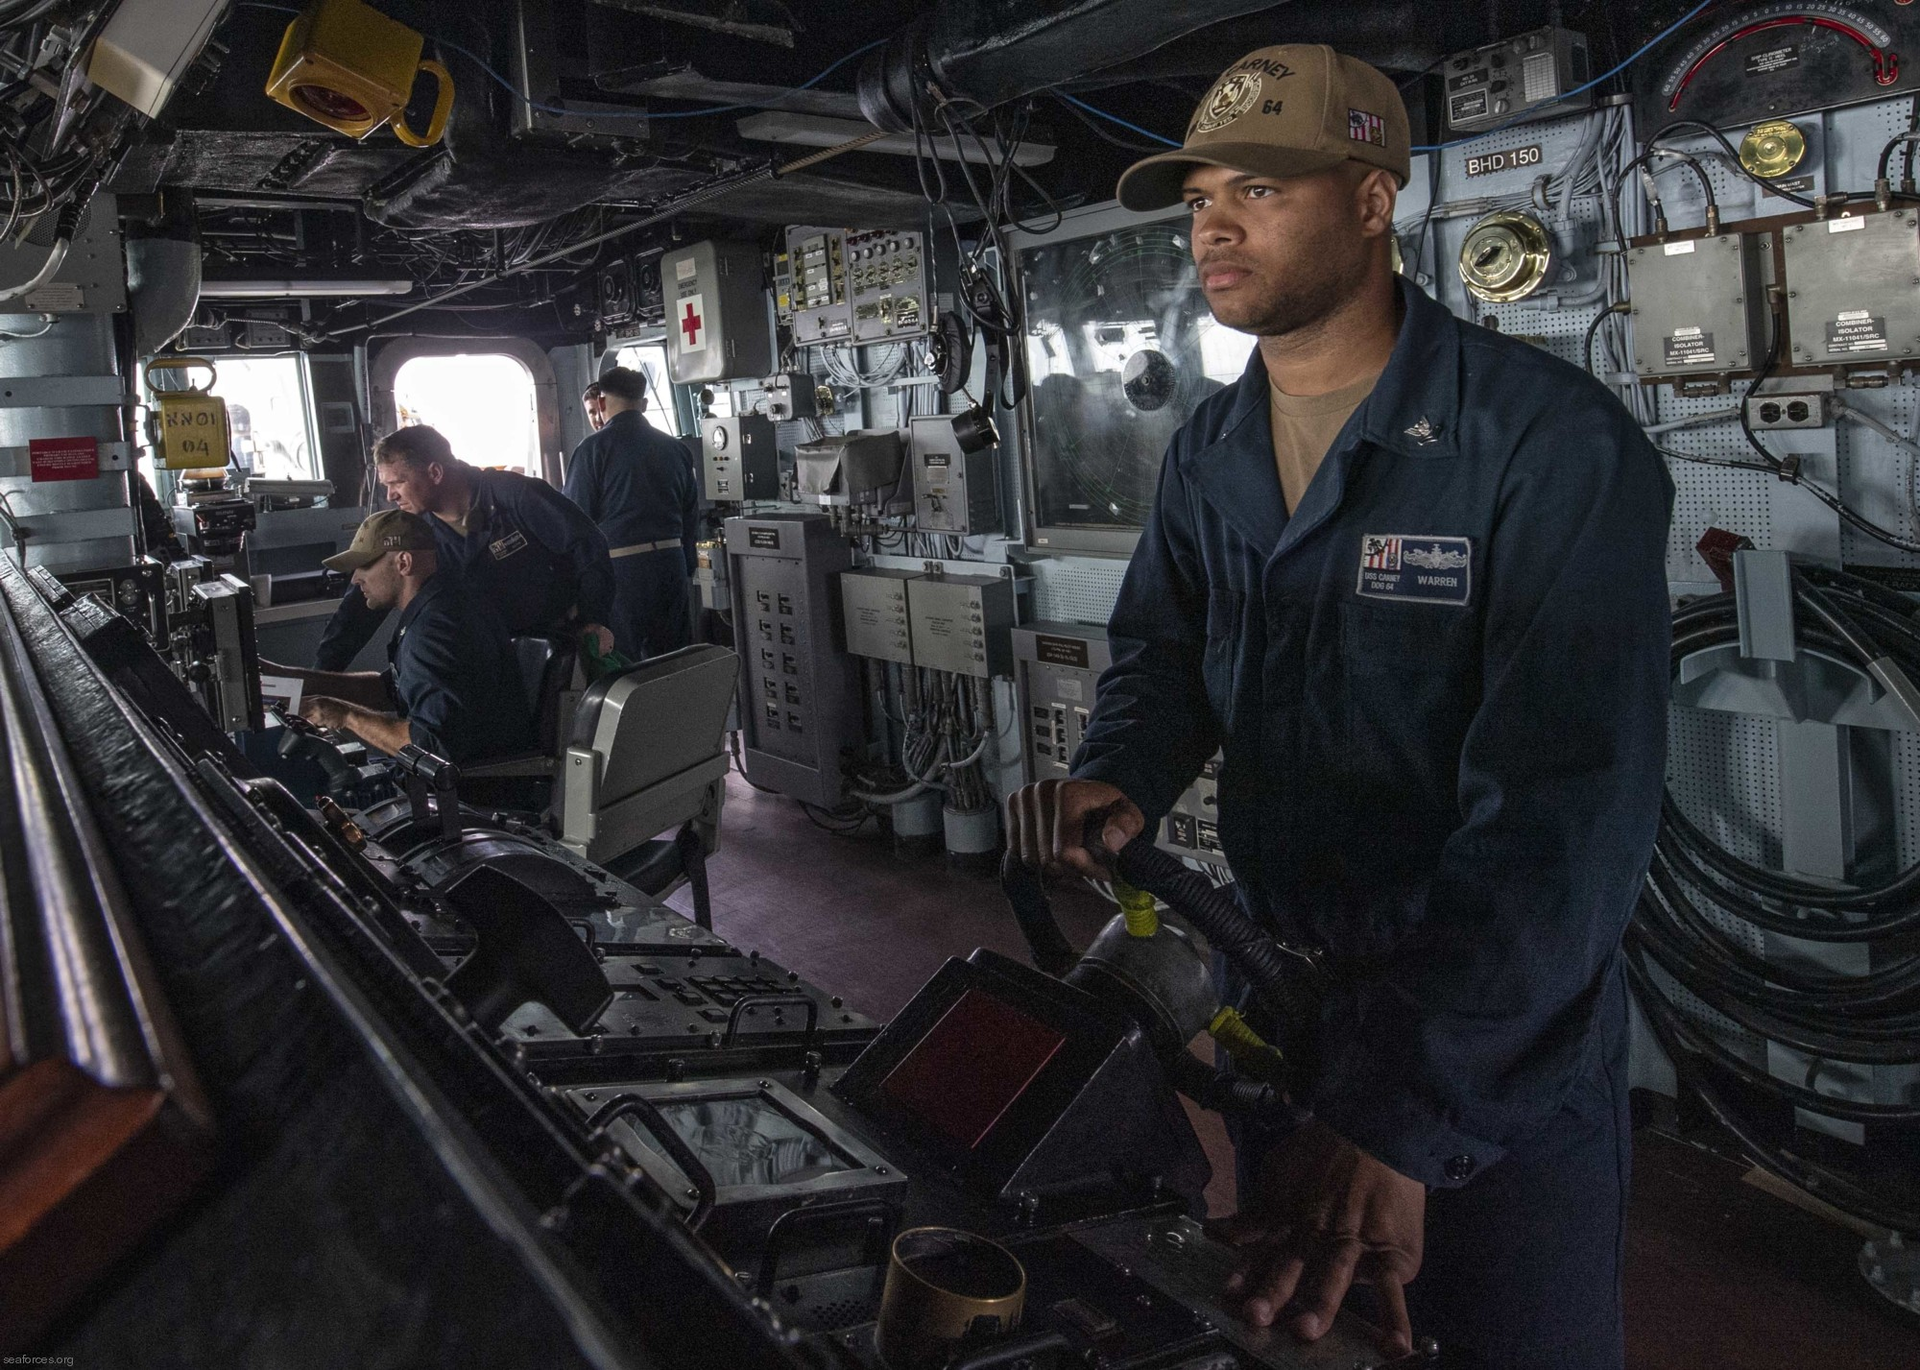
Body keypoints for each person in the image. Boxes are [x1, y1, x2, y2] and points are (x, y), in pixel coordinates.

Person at [1004, 44, 1672, 1370]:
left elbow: (1562, 822)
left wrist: (1403, 1117)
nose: (1213, 225)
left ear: (1375, 198)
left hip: (1487, 1025)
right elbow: (1165, 654)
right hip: (1284, 996)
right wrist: (1117, 767)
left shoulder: (1545, 445)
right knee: (1304, 1336)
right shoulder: (1211, 447)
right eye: (1200, 198)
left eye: (1259, 189)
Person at [311, 425, 616, 670]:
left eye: (398, 483)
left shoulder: (513, 495)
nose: (390, 495)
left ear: (435, 473)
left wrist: (593, 619)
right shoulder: (414, 528)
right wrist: (323, 673)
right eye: (386, 486)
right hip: (486, 654)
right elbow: (360, 608)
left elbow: (588, 546)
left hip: (555, 643)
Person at [262, 510, 534, 765]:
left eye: (364, 565)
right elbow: (391, 691)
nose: (355, 579)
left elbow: (432, 747)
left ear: (404, 562)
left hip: (474, 790)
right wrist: (287, 678)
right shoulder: (434, 608)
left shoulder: (437, 628)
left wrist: (345, 715)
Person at [562, 366, 699, 659]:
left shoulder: (592, 450)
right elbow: (690, 518)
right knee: (673, 661)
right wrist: (684, 566)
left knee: (624, 663)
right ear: (644, 404)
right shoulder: (676, 449)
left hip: (621, 571)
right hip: (671, 565)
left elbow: (575, 522)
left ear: (600, 402)